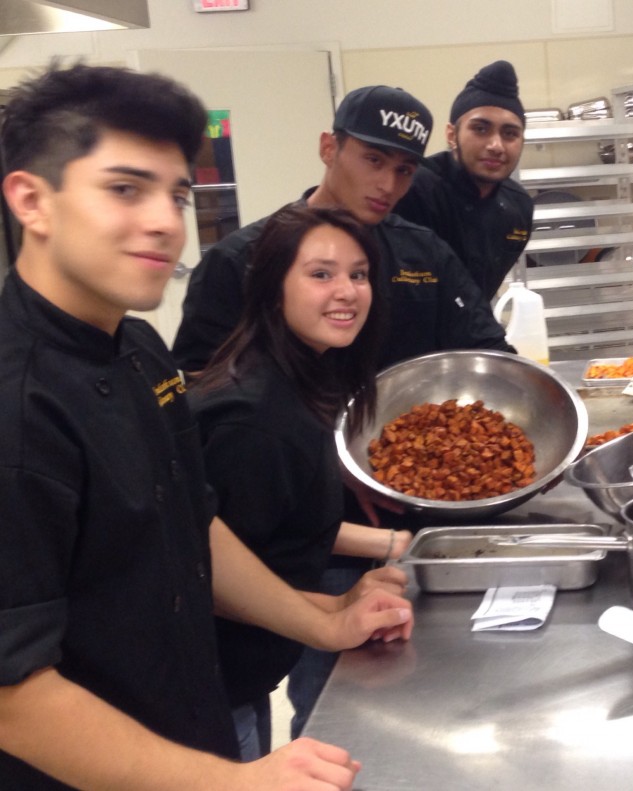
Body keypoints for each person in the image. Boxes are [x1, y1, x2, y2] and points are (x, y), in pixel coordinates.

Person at [0, 63, 412, 790]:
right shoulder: (18, 404)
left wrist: (322, 620)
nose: (166, 220)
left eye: (177, 192)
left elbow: (192, 523)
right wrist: (239, 782)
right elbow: (15, 698)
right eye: (125, 188)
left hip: (186, 732)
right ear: (32, 199)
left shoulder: (139, 348)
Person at [189, 204, 412, 760]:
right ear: (272, 288)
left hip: (246, 675)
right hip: (209, 690)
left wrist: (351, 591)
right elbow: (211, 581)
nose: (347, 291)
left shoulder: (303, 379)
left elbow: (273, 532)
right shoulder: (255, 421)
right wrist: (329, 617)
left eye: (358, 275)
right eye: (321, 274)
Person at [171, 83, 513, 376]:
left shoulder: (424, 253)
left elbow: (486, 345)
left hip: (406, 443)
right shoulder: (239, 259)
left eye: (404, 170)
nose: (388, 185)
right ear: (329, 148)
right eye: (374, 160)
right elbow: (201, 381)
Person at [392, 60, 533, 300]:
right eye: (481, 129)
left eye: (510, 134)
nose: (496, 145)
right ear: (451, 135)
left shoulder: (518, 207)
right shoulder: (412, 190)